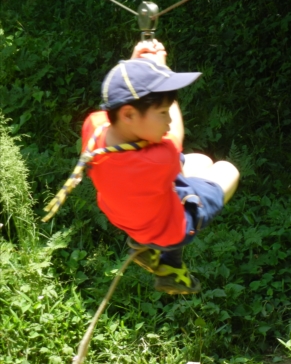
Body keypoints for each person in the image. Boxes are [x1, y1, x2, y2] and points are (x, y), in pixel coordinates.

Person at [45, 40, 239, 294]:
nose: (168, 120)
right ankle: (171, 264)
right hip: (169, 226)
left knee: (200, 162)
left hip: (129, 217)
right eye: (162, 112)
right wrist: (160, 66)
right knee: (226, 170)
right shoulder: (157, 158)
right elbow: (176, 134)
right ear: (128, 115)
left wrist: (136, 66)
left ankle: (146, 246)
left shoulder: (95, 126)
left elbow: (118, 97)